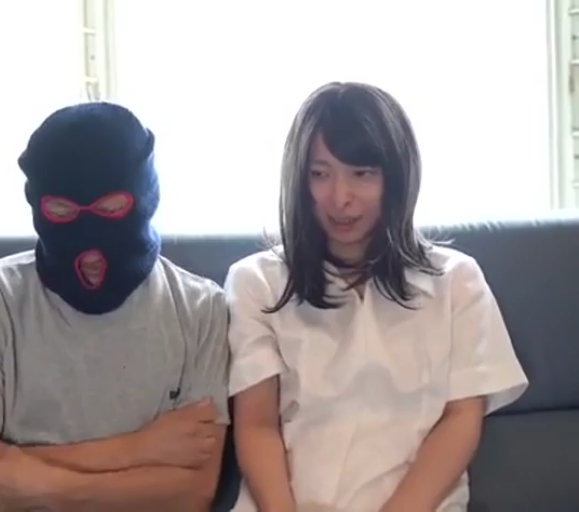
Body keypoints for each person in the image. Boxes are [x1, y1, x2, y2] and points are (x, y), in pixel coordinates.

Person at [225, 82, 529, 512]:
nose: (340, 197)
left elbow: (461, 418)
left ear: (396, 176)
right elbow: (257, 425)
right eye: (319, 174)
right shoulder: (255, 282)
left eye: (362, 173)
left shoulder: (457, 280)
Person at [0, 101, 231, 512]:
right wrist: (139, 448)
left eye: (110, 209)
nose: (89, 240)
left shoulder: (202, 308)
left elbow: (192, 494)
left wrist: (28, 481)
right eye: (61, 212)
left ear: (145, 198)